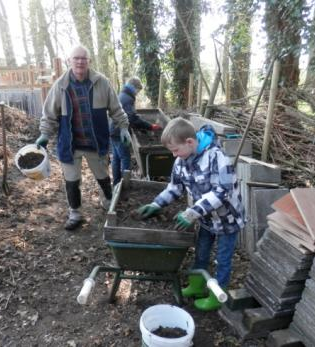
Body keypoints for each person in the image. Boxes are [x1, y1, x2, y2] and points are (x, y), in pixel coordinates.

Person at [137, 117, 245, 311]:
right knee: (201, 253)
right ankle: (197, 285)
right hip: (205, 220)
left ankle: (216, 295)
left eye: (175, 150)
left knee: (222, 259)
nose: (173, 155)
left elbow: (222, 192)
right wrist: (156, 204)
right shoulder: (181, 161)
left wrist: (192, 212)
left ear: (190, 142)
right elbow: (175, 188)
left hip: (227, 220)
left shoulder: (217, 157)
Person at [36, 45, 131, 231]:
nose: (80, 61)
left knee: (103, 177)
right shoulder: (60, 86)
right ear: (69, 61)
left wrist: (124, 127)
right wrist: (44, 134)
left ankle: (108, 203)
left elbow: (116, 109)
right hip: (70, 144)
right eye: (76, 58)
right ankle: (75, 212)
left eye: (84, 58)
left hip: (95, 142)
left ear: (89, 61)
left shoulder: (101, 83)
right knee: (71, 181)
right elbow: (49, 114)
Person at [110, 77, 162, 185]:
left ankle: (116, 184)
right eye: (138, 90)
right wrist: (150, 126)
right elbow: (132, 118)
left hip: (113, 130)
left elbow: (130, 115)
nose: (138, 93)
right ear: (134, 87)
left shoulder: (123, 95)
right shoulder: (127, 98)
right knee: (125, 158)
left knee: (116, 158)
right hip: (119, 132)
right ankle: (125, 184)